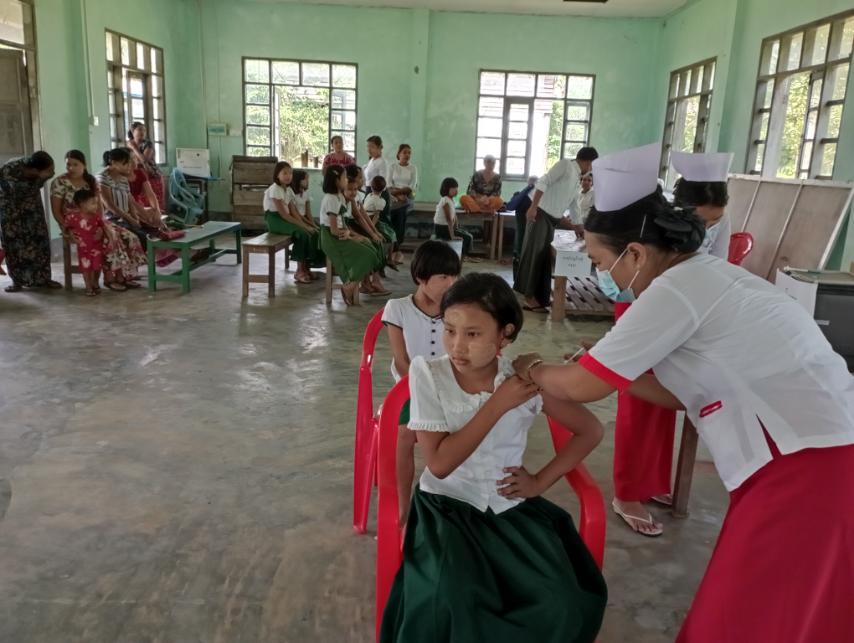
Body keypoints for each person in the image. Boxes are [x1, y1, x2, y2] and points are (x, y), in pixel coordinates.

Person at [512, 144, 854, 642]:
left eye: (600, 261)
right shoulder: (709, 274)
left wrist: (533, 367)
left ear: (634, 253)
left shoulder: (672, 290)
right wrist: (610, 366)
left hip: (805, 465)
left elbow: (583, 387)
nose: (602, 275)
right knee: (794, 609)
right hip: (823, 449)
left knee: (748, 615)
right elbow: (683, 394)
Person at [380, 272, 607, 643]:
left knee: (561, 603)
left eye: (473, 334)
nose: (457, 346)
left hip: (508, 508)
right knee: (448, 600)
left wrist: (539, 482)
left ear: (505, 334)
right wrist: (498, 405)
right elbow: (439, 464)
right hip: (446, 509)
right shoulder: (428, 374)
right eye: (449, 330)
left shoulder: (525, 381)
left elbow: (590, 430)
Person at [381, 240, 461, 523]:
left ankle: (454, 500)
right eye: (443, 276)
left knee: (466, 431)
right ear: (420, 277)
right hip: (409, 390)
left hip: (450, 387)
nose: (451, 283)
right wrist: (424, 390)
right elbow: (401, 360)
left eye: (455, 276)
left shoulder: (456, 312)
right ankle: (404, 506)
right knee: (405, 434)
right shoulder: (397, 308)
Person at [513, 147, 598, 312]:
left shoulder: (577, 178)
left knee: (543, 257)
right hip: (540, 213)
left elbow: (574, 206)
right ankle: (528, 298)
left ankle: (540, 297)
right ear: (588, 162)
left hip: (551, 219)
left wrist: (579, 228)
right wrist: (533, 207)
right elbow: (543, 181)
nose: (592, 169)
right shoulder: (566, 165)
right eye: (592, 165)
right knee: (533, 255)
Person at [50, 150, 145, 291]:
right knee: (110, 238)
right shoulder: (59, 182)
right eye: (68, 165)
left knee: (129, 236)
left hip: (96, 222)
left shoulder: (91, 181)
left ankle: (124, 275)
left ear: (84, 165)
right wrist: (66, 229)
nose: (71, 168)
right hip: (76, 225)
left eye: (75, 164)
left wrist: (101, 225)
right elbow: (56, 211)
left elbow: (99, 206)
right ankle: (110, 278)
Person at [318, 165, 385, 306]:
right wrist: (352, 236)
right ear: (337, 180)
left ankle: (351, 285)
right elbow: (334, 230)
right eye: (344, 178)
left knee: (371, 248)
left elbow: (343, 224)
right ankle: (350, 285)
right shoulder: (331, 199)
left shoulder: (339, 197)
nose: (346, 180)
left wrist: (357, 235)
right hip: (331, 239)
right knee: (368, 254)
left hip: (340, 235)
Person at [0, 151, 60, 292]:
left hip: (33, 211)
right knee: (14, 247)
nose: (52, 173)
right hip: (11, 213)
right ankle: (17, 281)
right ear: (35, 170)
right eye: (49, 170)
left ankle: (43, 278)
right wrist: (40, 179)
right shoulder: (9, 170)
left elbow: (35, 186)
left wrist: (43, 178)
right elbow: (16, 191)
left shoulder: (36, 169)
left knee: (40, 243)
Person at [263, 161, 324, 284]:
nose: (288, 176)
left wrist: (306, 225)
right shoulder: (274, 189)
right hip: (275, 220)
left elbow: (294, 212)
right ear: (277, 175)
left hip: (286, 218)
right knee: (302, 233)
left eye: (290, 173)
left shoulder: (289, 190)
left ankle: (307, 268)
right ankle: (299, 271)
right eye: (284, 173)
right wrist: (303, 227)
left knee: (313, 233)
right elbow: (284, 215)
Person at [671, 151, 733, 260]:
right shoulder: (669, 221)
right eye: (701, 222)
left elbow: (720, 261)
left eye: (714, 223)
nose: (707, 229)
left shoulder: (723, 219)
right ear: (682, 209)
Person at [63, 189, 106, 296]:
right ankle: (88, 286)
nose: (96, 206)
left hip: (97, 246)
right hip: (83, 248)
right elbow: (66, 228)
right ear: (82, 204)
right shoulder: (73, 217)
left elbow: (102, 226)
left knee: (97, 266)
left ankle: (95, 282)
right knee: (86, 268)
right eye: (93, 203)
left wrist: (101, 232)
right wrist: (70, 234)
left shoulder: (96, 217)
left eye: (96, 203)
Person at [386, 144, 418, 263]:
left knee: (400, 213)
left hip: (407, 198)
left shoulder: (413, 168)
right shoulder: (392, 166)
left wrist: (400, 193)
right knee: (395, 216)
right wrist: (398, 194)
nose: (407, 155)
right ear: (399, 154)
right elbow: (388, 185)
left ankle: (395, 248)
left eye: (409, 153)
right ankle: (395, 249)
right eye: (404, 152)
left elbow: (411, 187)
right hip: (393, 197)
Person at [433, 177, 475, 261]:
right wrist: (453, 236)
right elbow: (448, 219)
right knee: (467, 237)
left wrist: (457, 228)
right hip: (442, 229)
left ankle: (463, 256)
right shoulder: (445, 200)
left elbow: (454, 216)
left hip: (447, 228)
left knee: (467, 234)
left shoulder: (451, 200)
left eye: (456, 188)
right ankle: (460, 258)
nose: (456, 190)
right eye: (453, 188)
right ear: (446, 189)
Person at [504, 175, 538, 277]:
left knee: (521, 248)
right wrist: (528, 189)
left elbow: (510, 206)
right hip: (525, 234)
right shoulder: (522, 196)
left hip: (528, 234)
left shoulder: (530, 196)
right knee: (522, 247)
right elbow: (510, 206)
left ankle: (520, 273)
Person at [364, 175, 398, 250]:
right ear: (384, 189)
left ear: (371, 187)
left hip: (364, 218)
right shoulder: (381, 201)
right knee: (392, 234)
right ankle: (390, 255)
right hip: (371, 220)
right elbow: (376, 216)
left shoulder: (369, 195)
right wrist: (372, 228)